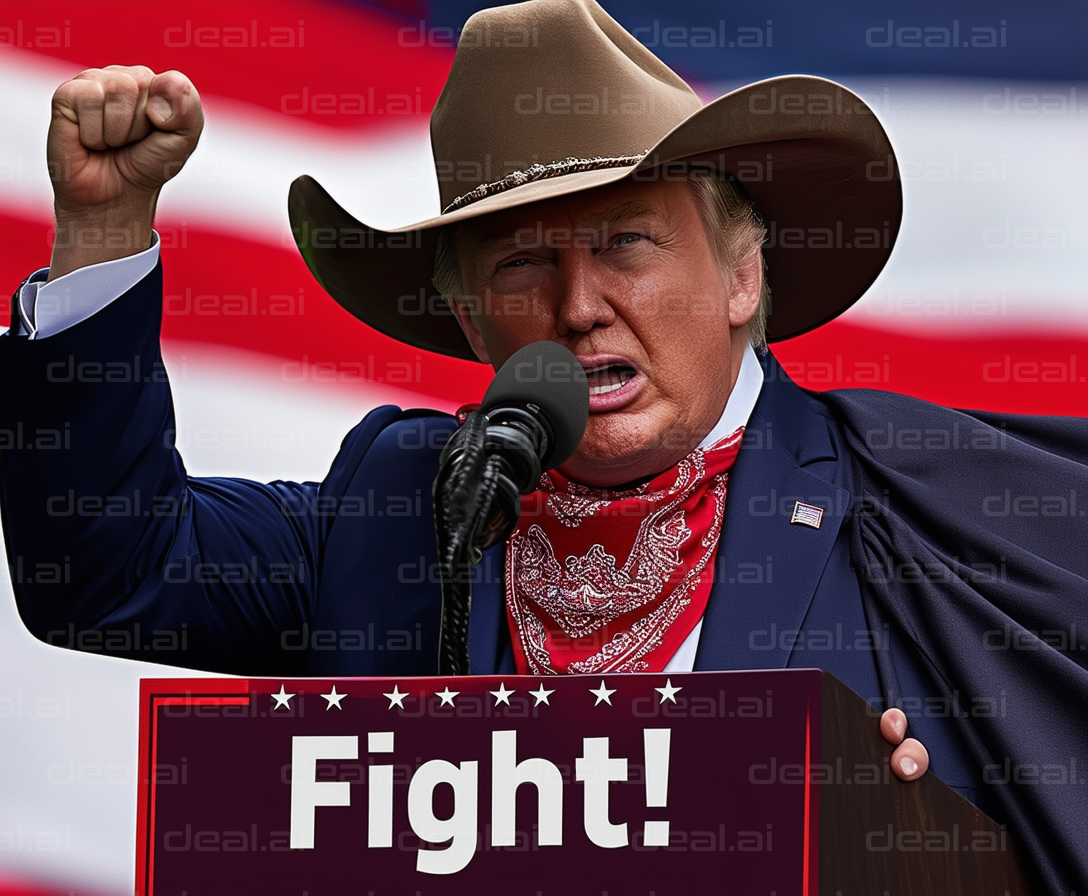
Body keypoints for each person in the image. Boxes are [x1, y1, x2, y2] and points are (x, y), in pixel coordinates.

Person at [0, 1, 1083, 891]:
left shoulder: (930, 500)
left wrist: (935, 841)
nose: (577, 305)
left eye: (625, 242)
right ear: (470, 321)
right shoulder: (398, 504)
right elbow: (107, 567)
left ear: (740, 277)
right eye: (520, 263)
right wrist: (104, 233)